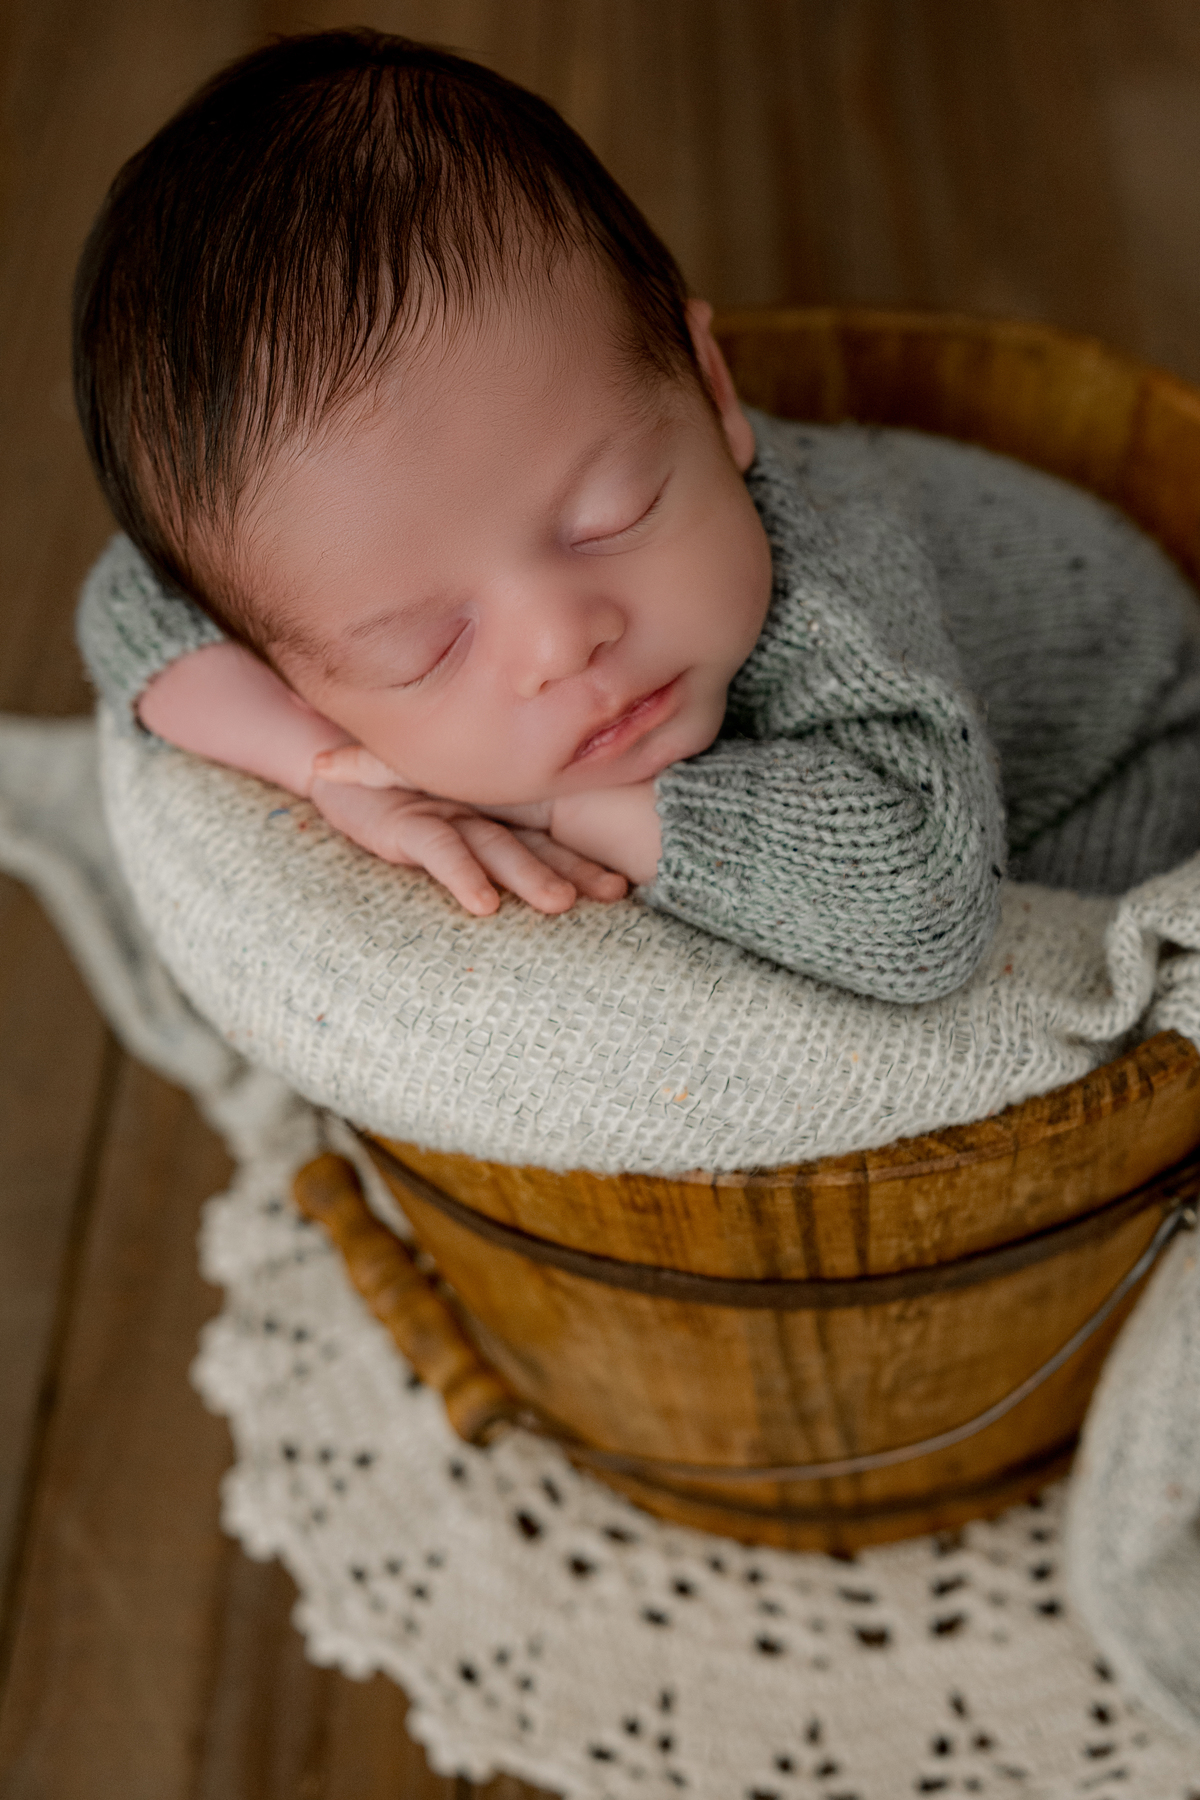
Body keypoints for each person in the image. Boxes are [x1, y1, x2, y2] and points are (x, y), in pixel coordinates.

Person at [74, 29, 1200, 1005]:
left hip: (1127, 756)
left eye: (611, 516)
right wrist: (334, 772)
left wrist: (564, 806)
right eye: (428, 645)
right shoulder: (314, 589)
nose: (566, 640)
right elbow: (129, 604)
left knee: (1010, 978)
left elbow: (923, 907)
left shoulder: (833, 592)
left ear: (712, 393)